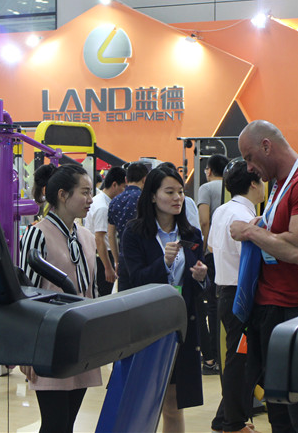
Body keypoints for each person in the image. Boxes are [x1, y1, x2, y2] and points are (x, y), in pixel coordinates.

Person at [230, 120, 298, 433]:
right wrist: (262, 226)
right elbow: (282, 232)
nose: (248, 168)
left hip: (296, 313)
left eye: (249, 158)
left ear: (267, 146)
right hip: (271, 312)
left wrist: (250, 232)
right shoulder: (278, 185)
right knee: (279, 414)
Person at [121, 166, 208, 432]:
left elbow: (200, 284)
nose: (177, 198)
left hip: (180, 326)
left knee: (173, 403)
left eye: (180, 192)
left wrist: (202, 277)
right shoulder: (134, 233)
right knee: (142, 403)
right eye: (169, 192)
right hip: (146, 327)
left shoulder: (191, 234)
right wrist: (164, 263)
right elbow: (135, 280)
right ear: (152, 196)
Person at [18, 163, 101, 433]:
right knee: (54, 424)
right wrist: (26, 350)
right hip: (48, 342)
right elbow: (26, 294)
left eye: (91, 192)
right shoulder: (37, 235)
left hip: (81, 341)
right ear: (63, 195)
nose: (90, 199)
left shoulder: (86, 237)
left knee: (67, 424)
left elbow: (92, 292)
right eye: (85, 192)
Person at [209, 160, 266, 433]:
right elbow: (253, 257)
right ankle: (233, 423)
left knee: (241, 357)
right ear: (253, 183)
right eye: (262, 180)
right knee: (241, 359)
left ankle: (225, 418)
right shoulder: (244, 216)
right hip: (241, 294)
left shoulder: (222, 210)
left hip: (225, 291)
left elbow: (212, 246)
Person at [196, 153, 229, 375]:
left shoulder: (206, 188)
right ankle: (222, 352)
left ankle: (213, 356)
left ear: (208, 170)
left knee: (211, 304)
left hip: (212, 251)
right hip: (229, 250)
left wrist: (206, 247)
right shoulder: (230, 187)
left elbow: (204, 220)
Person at [107, 161, 149, 291]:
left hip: (124, 258)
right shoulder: (145, 199)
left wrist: (117, 260)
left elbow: (110, 234)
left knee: (124, 298)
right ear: (145, 179)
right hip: (144, 258)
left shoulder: (115, 201)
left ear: (126, 179)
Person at [85, 165, 126, 296]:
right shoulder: (103, 207)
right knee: (104, 296)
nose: (124, 192)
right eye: (123, 187)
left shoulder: (100, 200)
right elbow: (99, 238)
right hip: (102, 257)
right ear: (114, 185)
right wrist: (108, 267)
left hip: (100, 255)